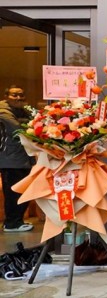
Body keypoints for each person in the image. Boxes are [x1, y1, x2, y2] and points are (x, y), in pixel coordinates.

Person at [0, 85, 33, 232]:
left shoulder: (22, 110)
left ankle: (17, 221)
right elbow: (20, 130)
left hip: (22, 158)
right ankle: (12, 223)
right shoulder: (3, 112)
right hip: (10, 159)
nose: (19, 98)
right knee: (13, 192)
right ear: (6, 96)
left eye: (21, 95)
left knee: (22, 190)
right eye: (14, 95)